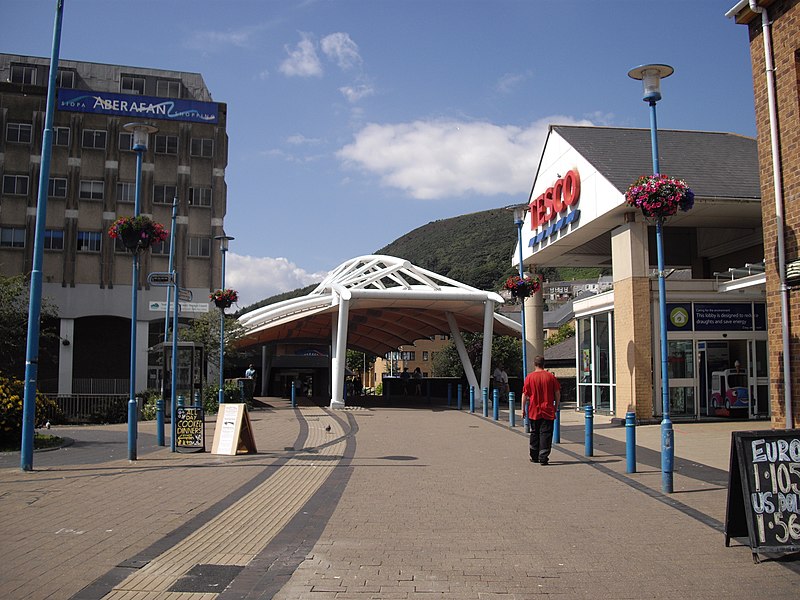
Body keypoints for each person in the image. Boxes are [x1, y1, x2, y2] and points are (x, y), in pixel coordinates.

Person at [522, 355, 561, 466]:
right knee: (546, 434)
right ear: (544, 364)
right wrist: (556, 406)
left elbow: (525, 394)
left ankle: (534, 456)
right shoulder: (550, 377)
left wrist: (523, 409)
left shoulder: (529, 377)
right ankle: (543, 457)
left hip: (534, 410)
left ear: (534, 364)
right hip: (547, 410)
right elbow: (557, 393)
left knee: (534, 432)